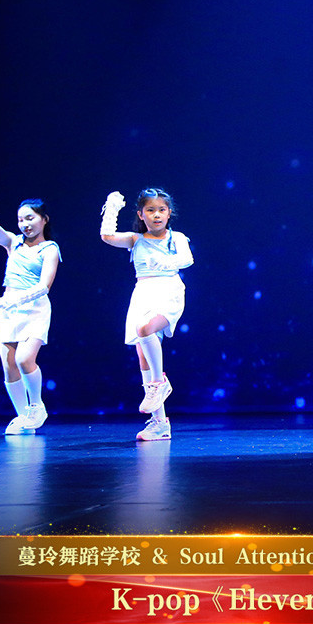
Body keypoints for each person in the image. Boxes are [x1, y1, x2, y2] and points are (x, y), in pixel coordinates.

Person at [0, 187, 61, 435]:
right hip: (9, 309)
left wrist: (17, 299)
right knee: (9, 367)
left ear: (44, 219)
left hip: (34, 309)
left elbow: (44, 286)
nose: (25, 224)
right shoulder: (13, 242)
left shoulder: (50, 248)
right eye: (20, 220)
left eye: (30, 218)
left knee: (24, 359)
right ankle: (23, 417)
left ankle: (37, 407)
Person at [100, 187, 193, 441]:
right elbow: (107, 236)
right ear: (141, 214)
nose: (157, 215)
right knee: (143, 354)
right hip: (143, 293)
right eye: (150, 210)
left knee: (145, 328)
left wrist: (165, 262)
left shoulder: (176, 238)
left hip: (168, 290)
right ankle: (159, 422)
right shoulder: (136, 239)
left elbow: (187, 259)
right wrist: (112, 208)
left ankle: (159, 384)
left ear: (169, 213)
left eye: (161, 210)